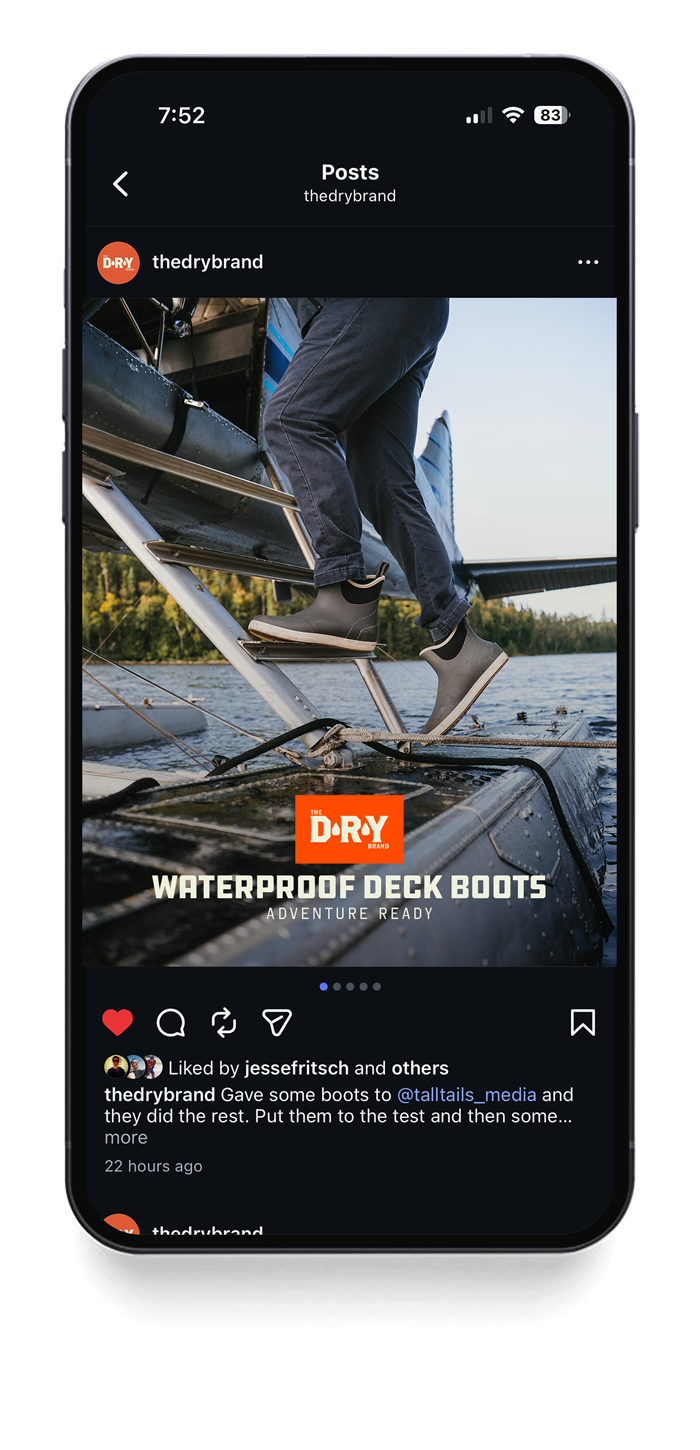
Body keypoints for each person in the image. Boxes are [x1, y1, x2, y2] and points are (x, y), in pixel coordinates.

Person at [249, 297, 507, 734]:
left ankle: (344, 596)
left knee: (292, 417)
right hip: (411, 311)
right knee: (382, 482)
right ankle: (458, 645)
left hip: (365, 302)